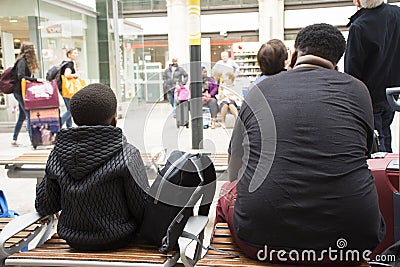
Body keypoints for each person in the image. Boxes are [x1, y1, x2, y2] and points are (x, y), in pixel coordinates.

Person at [217, 23, 385, 264]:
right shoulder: (358, 91)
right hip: (353, 242)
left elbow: (235, 164)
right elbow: (364, 154)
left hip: (260, 240)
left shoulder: (259, 90)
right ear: (336, 64)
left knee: (226, 192)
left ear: (294, 56)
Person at [35, 83, 149, 251]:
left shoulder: (58, 153)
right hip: (119, 240)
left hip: (73, 241)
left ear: (74, 118)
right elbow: (142, 210)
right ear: (114, 117)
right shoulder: (128, 154)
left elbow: (45, 206)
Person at [344, 0, 400, 153]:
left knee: (376, 143)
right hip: (392, 93)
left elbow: (352, 70)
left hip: (369, 97)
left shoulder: (359, 26)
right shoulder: (396, 13)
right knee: (385, 135)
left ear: (357, 2)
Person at [11, 42, 40, 146]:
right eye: (33, 48)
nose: (35, 50)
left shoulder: (25, 61)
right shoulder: (22, 61)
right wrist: (35, 79)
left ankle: (14, 139)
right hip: (20, 92)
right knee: (29, 114)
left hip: (22, 91)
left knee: (22, 116)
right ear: (29, 50)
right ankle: (33, 140)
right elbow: (21, 76)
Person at [59, 48, 80, 128]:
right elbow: (67, 74)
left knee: (69, 107)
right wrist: (75, 75)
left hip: (63, 88)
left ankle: (69, 127)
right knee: (71, 109)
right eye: (74, 53)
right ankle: (60, 122)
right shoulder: (69, 63)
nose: (76, 55)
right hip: (67, 89)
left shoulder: (64, 62)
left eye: (77, 53)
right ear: (69, 54)